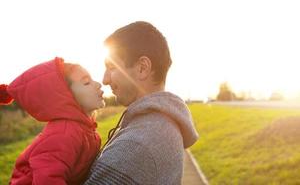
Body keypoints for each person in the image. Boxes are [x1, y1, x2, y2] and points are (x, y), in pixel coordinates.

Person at [84, 21, 199, 185]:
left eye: (111, 67)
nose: (105, 79)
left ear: (142, 68)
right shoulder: (162, 124)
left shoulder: (135, 146)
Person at [0, 57, 104, 185]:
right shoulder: (63, 134)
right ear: (66, 96)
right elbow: (47, 179)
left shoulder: (86, 130)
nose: (98, 84)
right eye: (87, 83)